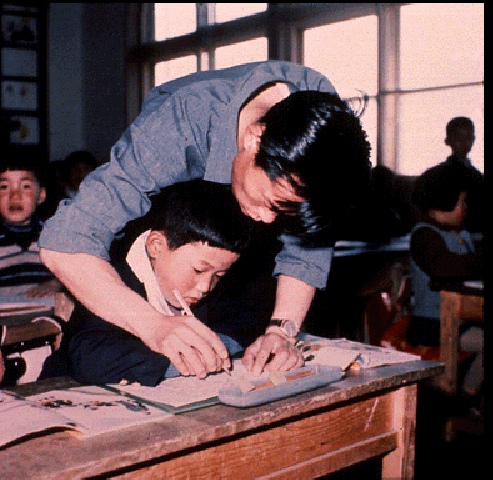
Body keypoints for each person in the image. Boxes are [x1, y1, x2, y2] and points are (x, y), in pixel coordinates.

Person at [39, 61, 372, 377]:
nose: (269, 221)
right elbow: (65, 243)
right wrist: (154, 326)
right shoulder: (180, 124)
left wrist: (281, 332)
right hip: (164, 214)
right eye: (273, 203)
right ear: (254, 139)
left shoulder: (324, 129)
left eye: (284, 212)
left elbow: (305, 249)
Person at [40, 180, 257, 386]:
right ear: (156, 245)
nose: (205, 287)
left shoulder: (204, 277)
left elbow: (244, 317)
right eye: (198, 270)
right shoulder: (110, 279)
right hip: (65, 397)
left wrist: (223, 346)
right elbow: (89, 359)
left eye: (219, 275)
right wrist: (181, 360)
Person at [409, 162, 483, 397]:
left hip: (461, 321)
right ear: (441, 205)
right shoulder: (424, 236)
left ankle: (469, 394)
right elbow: (446, 268)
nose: (465, 208)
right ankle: (466, 396)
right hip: (432, 324)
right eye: (461, 202)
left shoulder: (462, 234)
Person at [0, 148, 62, 298]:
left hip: (45, 318)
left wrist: (57, 283)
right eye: (4, 187)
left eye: (25, 186)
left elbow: (77, 275)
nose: (15, 196)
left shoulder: (56, 238)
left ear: (41, 195)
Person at [442, 116, 483, 233]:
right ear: (448, 141)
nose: (464, 142)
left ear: (474, 139)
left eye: (468, 137)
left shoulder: (476, 175)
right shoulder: (440, 175)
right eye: (458, 138)